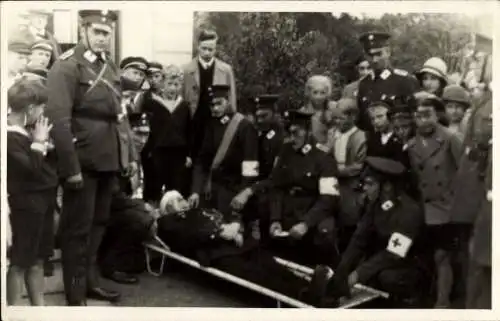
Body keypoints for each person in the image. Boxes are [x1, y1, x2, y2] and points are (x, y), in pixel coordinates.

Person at [45, 10, 127, 305]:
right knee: (77, 230)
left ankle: (90, 282)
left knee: (99, 223)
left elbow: (119, 118)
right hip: (83, 163)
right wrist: (71, 168)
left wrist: (125, 158)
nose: (103, 38)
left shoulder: (110, 66)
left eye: (107, 33)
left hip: (107, 160)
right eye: (97, 32)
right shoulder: (67, 67)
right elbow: (58, 120)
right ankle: (75, 292)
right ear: (84, 31)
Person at [308, 157, 427, 308]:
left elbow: (394, 254)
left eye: (370, 184)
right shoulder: (376, 205)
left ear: (387, 187)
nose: (364, 188)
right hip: (382, 261)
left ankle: (408, 301)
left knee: (385, 277)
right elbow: (358, 240)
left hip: (408, 265)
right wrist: (341, 273)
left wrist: (357, 275)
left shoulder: (409, 211)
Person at [449, 31, 492, 309]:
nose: (474, 65)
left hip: (487, 191)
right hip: (475, 190)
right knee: (475, 257)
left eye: (480, 59)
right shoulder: (485, 99)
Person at [406, 96, 462, 308]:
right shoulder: (411, 144)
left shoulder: (450, 139)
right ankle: (425, 295)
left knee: (443, 256)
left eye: (428, 115)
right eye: (419, 116)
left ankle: (443, 302)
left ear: (437, 115)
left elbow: (465, 172)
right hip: (425, 209)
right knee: (425, 255)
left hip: (448, 208)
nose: (424, 120)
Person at [6, 79, 58, 306]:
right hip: (25, 207)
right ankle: (14, 309)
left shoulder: (25, 133)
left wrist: (43, 144)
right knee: (19, 261)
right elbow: (31, 170)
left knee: (37, 259)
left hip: (42, 204)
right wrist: (38, 142)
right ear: (30, 109)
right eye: (41, 108)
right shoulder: (10, 137)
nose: (43, 112)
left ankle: (39, 308)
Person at [266, 109, 340, 267]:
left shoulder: (323, 157)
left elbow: (328, 199)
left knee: (325, 233)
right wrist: (275, 218)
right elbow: (276, 187)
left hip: (312, 209)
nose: (292, 138)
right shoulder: (285, 152)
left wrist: (306, 223)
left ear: (307, 131)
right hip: (288, 208)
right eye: (289, 133)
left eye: (296, 133)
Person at [188, 84, 259, 225]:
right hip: (211, 190)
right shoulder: (211, 125)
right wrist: (195, 190)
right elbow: (202, 160)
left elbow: (250, 165)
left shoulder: (243, 125)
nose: (215, 108)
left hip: (233, 190)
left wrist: (243, 193)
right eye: (211, 105)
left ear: (228, 101)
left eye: (219, 103)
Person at [230, 94, 285, 240]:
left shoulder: (281, 140)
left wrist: (249, 190)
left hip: (272, 190)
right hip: (253, 184)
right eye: (257, 116)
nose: (260, 120)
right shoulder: (254, 133)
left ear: (274, 113)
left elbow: (275, 178)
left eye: (264, 116)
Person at [183, 29, 237, 161]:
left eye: (211, 49)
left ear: (215, 49)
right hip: (194, 122)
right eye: (204, 48)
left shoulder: (225, 70)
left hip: (216, 121)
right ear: (198, 47)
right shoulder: (186, 70)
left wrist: (230, 119)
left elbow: (231, 98)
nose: (207, 53)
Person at [144, 64, 192, 201]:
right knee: (154, 188)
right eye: (169, 84)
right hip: (157, 153)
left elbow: (188, 131)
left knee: (176, 189)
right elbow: (146, 130)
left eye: (176, 84)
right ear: (162, 84)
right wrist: (148, 151)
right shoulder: (151, 104)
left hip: (178, 154)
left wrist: (188, 154)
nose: (173, 88)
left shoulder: (184, 106)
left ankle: (174, 219)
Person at [326, 98, 367, 252]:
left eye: (340, 118)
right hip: (332, 184)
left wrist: (336, 171)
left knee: (349, 221)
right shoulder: (332, 133)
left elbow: (358, 166)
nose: (337, 122)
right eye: (335, 118)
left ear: (352, 117)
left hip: (351, 186)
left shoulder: (361, 137)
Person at [356, 31, 418, 133]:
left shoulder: (404, 80)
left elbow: (414, 117)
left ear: (388, 52)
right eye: (370, 55)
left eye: (378, 54)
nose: (374, 60)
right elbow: (363, 121)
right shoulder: (363, 84)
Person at [141, 61, 165, 204]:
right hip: (150, 146)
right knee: (151, 180)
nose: (153, 80)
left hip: (167, 145)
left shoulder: (170, 95)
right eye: (150, 77)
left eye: (157, 76)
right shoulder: (145, 98)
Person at [365, 97, 410, 168]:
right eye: (372, 119)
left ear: (390, 116)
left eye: (380, 116)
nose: (376, 122)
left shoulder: (401, 137)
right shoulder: (372, 139)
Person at [300, 75, 337, 144]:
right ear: (309, 93)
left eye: (322, 93)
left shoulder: (334, 107)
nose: (318, 97)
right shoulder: (303, 111)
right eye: (315, 92)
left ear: (327, 93)